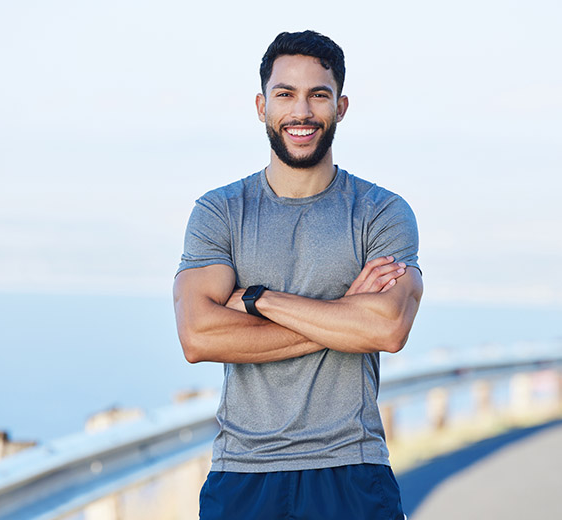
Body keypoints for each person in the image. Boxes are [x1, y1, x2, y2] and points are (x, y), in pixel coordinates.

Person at [173, 30, 423, 520]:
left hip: (352, 469)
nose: (301, 112)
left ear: (341, 106)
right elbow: (198, 337)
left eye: (318, 95)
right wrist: (342, 318)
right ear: (262, 105)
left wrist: (258, 299)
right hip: (243, 473)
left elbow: (387, 329)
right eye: (286, 94)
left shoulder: (381, 212)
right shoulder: (219, 213)